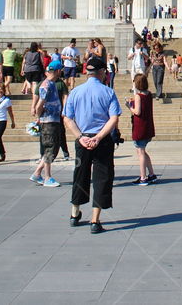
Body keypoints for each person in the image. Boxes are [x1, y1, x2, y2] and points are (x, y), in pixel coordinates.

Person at [62, 57, 122, 233]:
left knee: (80, 175)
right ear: (103, 72)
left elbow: (67, 118)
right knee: (102, 178)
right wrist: (99, 137)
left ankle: (75, 214)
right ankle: (95, 221)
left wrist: (80, 137)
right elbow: (114, 118)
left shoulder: (75, 92)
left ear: (87, 72)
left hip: (82, 140)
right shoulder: (108, 92)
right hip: (102, 141)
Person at [30, 61, 65, 187]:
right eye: (60, 70)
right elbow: (40, 103)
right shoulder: (46, 85)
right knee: (51, 147)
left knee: (53, 148)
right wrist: (39, 117)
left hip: (53, 119)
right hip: (49, 121)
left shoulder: (51, 84)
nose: (62, 72)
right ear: (56, 71)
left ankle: (37, 173)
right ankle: (47, 177)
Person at [126, 74, 157, 186]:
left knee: (140, 152)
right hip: (148, 126)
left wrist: (130, 106)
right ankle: (152, 174)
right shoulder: (148, 94)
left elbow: (137, 112)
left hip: (140, 127)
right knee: (143, 151)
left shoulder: (139, 96)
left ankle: (143, 177)